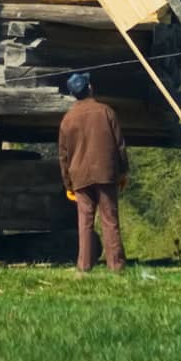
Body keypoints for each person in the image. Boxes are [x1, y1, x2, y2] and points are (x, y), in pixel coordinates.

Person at [57, 72, 129, 273]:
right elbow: (119, 145)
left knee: (85, 222)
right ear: (90, 88)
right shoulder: (106, 112)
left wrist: (68, 184)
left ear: (73, 94)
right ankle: (116, 266)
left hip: (80, 175)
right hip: (106, 173)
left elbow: (63, 156)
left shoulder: (67, 120)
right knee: (110, 220)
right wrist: (123, 172)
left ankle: (85, 265)